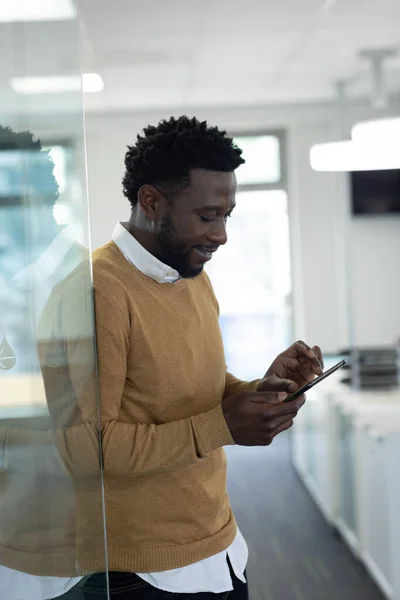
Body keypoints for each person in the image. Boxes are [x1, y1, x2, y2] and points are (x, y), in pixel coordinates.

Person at [57, 115, 322, 599]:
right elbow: (84, 449)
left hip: (217, 548)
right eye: (207, 216)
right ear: (151, 201)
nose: (221, 234)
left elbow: (190, 385)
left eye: (227, 215)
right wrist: (222, 426)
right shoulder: (95, 292)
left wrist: (258, 390)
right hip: (141, 573)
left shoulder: (191, 276)